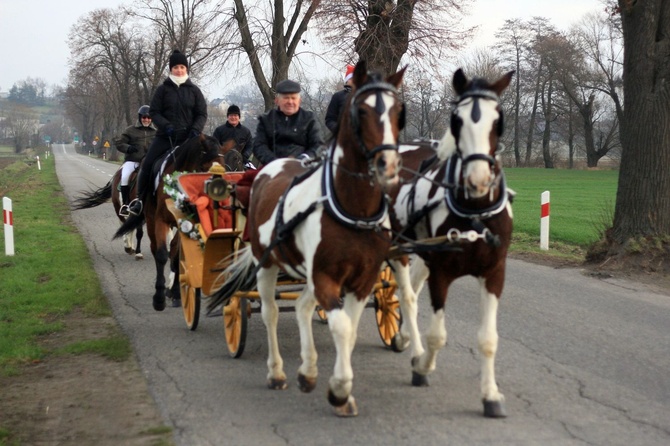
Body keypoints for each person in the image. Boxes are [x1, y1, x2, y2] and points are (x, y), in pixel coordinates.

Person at [128, 49, 208, 216]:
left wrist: (195, 130)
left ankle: (206, 202)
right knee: (147, 164)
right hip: (166, 136)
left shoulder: (195, 91)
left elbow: (202, 114)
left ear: (186, 69)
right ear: (170, 69)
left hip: (189, 138)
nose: (179, 70)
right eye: (176, 67)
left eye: (182, 67)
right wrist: (166, 126)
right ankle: (140, 201)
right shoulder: (162, 90)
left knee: (206, 163)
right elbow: (155, 112)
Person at [252, 79, 324, 167]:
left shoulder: (309, 119)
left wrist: (303, 159)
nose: (290, 102)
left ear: (299, 100)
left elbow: (318, 145)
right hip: (273, 167)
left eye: (293, 98)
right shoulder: (266, 120)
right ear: (277, 100)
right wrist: (274, 161)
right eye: (286, 98)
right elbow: (258, 145)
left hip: (304, 166)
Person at [114, 105, 156, 217]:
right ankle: (125, 204)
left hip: (149, 162)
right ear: (140, 117)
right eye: (144, 117)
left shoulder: (155, 132)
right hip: (132, 161)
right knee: (125, 176)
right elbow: (119, 143)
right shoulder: (130, 130)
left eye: (148, 117)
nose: (146, 120)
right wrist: (128, 148)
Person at [324, 64, 355, 134]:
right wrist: (338, 130)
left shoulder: (366, 96)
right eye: (352, 78)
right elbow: (329, 119)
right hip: (342, 138)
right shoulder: (338, 96)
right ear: (347, 80)